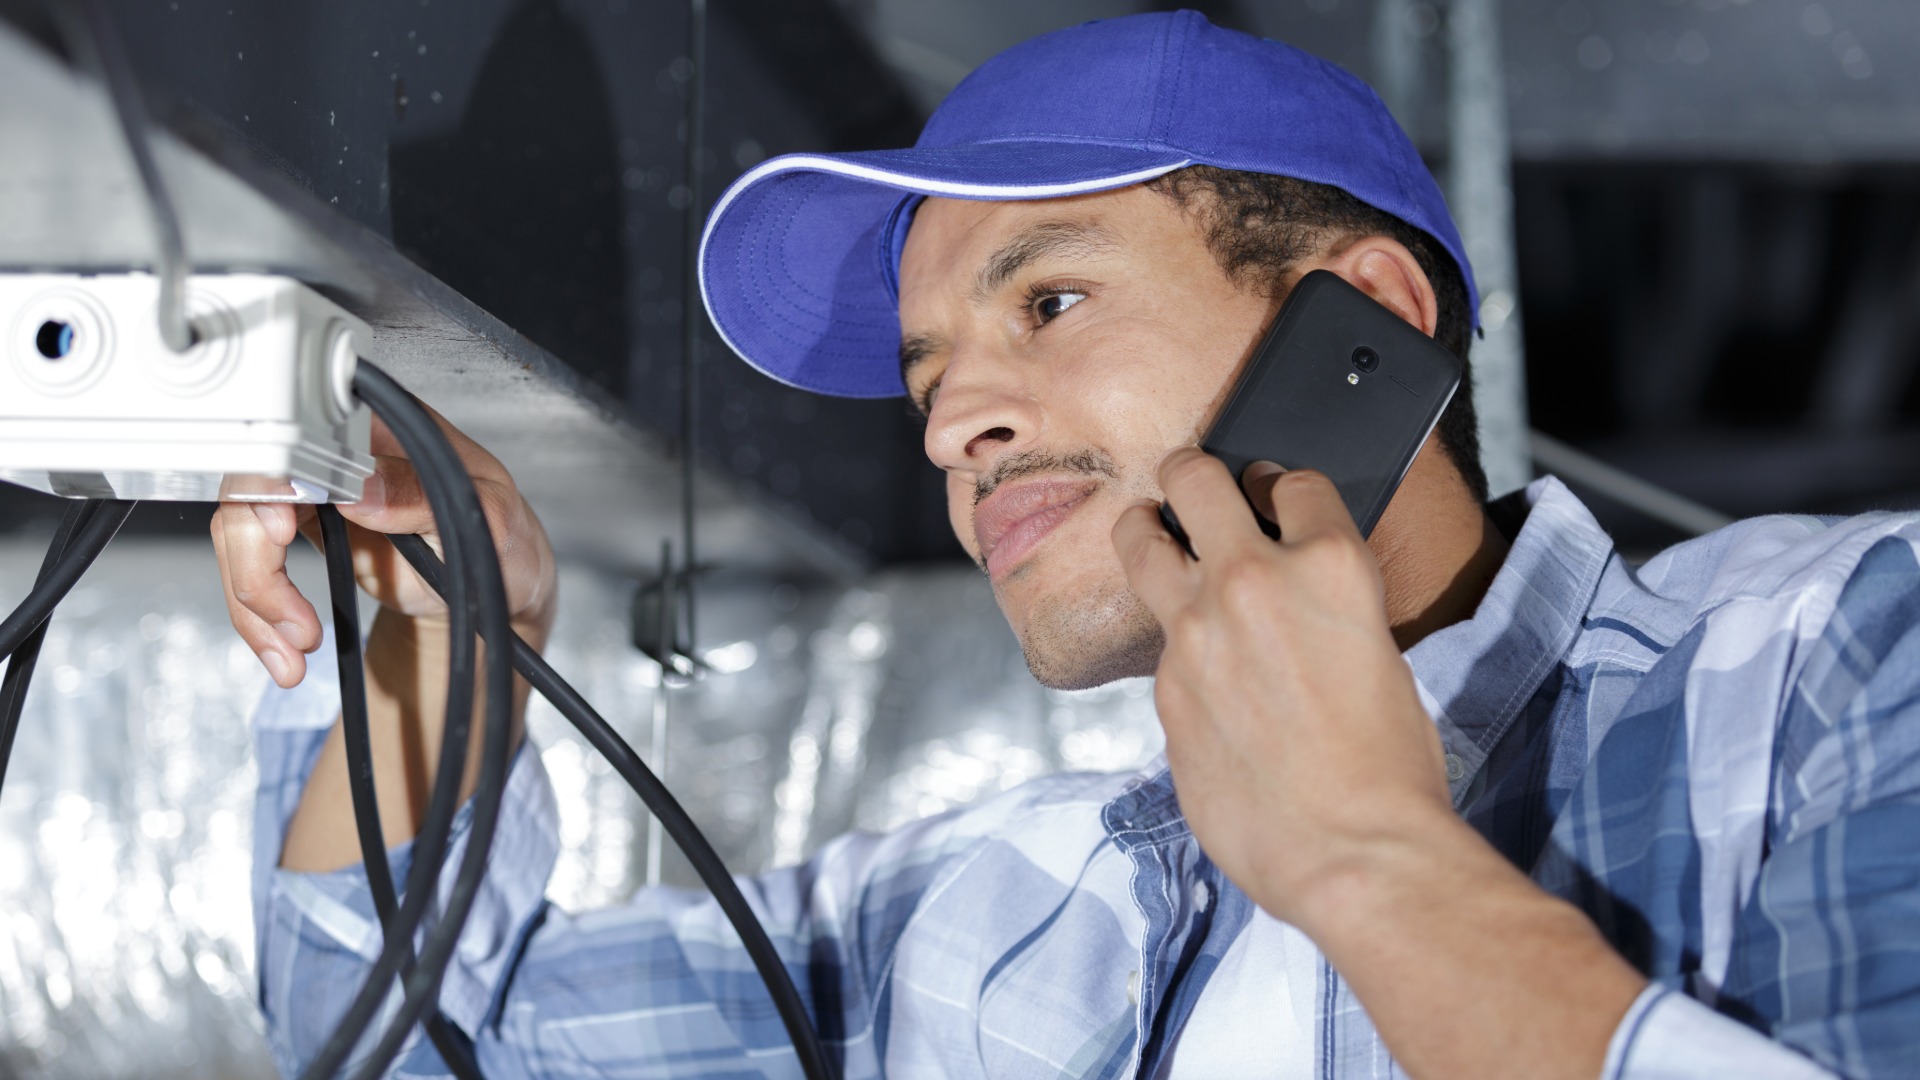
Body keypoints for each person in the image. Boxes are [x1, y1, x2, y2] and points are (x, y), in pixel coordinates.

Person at [216, 12, 1920, 1079]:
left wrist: (1367, 862)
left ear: (1364, 325)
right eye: (930, 372)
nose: (959, 422)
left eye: (1048, 298)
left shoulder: (1841, 661)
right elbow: (412, 1039)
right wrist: (446, 639)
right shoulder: (984, 920)